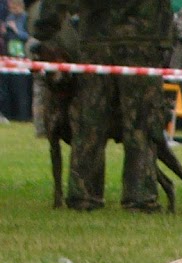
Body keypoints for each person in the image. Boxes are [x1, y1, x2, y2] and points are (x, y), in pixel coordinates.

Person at [33, 0, 172, 211]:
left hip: (97, 41)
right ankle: (140, 197)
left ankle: (84, 195)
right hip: (143, 40)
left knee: (90, 123)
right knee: (140, 124)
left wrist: (46, 26)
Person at [1, 0, 30, 123]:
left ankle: (23, 116)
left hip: (22, 56)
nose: (11, 9)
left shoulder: (25, 18)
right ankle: (11, 114)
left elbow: (26, 36)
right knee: (10, 86)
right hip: (9, 54)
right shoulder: (10, 17)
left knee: (21, 88)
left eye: (13, 7)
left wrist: (15, 29)